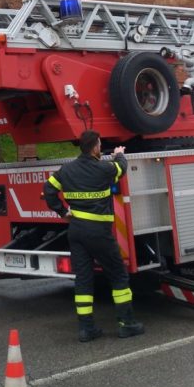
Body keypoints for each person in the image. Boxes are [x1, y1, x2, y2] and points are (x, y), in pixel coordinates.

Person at [43, 130, 144, 342]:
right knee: (118, 274)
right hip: (99, 232)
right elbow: (121, 169)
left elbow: (48, 190)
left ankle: (86, 329)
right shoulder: (104, 169)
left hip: (76, 231)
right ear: (96, 147)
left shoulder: (66, 170)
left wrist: (62, 212)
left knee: (83, 279)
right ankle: (127, 324)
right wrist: (119, 153)